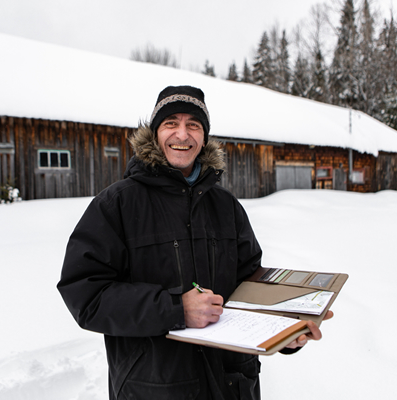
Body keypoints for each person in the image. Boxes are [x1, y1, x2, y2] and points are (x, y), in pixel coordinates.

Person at [57, 85, 331, 400]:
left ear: (204, 138)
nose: (182, 135)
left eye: (194, 125)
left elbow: (249, 285)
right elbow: (86, 294)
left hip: (232, 385)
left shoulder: (226, 206)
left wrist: (285, 330)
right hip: (155, 389)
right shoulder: (117, 204)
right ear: (155, 133)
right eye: (171, 123)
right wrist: (174, 309)